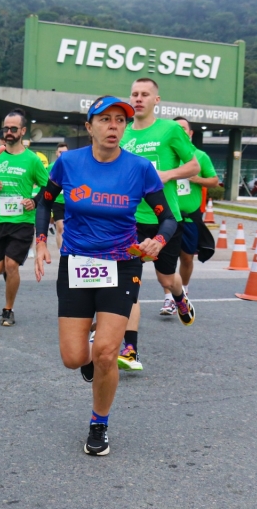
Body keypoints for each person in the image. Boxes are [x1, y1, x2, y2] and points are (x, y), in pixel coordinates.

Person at [34, 95, 177, 456]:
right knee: (72, 357)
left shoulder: (140, 168)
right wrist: (40, 242)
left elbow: (168, 217)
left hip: (122, 263)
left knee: (107, 353)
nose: (113, 126)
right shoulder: (68, 163)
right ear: (89, 126)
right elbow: (44, 200)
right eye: (105, 119)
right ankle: (90, 363)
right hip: (77, 262)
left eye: (120, 120)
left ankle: (99, 423)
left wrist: (158, 241)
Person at [119, 78, 200, 371]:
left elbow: (194, 167)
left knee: (167, 279)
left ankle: (179, 296)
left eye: (144, 95)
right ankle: (130, 350)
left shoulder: (169, 130)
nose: (138, 99)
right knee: (130, 285)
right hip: (132, 220)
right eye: (134, 94)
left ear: (157, 100)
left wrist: (166, 175)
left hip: (166, 219)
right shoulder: (124, 135)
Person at [0, 109, 49, 326]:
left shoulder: (32, 160)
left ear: (23, 131)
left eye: (14, 128)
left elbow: (48, 186)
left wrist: (35, 200)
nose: (9, 132)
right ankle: (8, 275)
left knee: (11, 265)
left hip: (22, 221)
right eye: (6, 128)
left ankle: (8, 309)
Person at [161, 117, 218, 310]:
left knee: (186, 257)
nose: (180, 132)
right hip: (167, 214)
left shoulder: (199, 156)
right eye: (176, 129)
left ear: (190, 133)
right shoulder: (165, 154)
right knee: (165, 258)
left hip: (190, 214)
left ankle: (182, 291)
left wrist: (196, 179)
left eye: (183, 129)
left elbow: (214, 181)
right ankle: (168, 297)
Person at [48, 143, 69, 249]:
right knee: (60, 228)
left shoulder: (71, 165)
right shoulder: (51, 166)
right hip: (57, 202)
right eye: (60, 152)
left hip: (70, 202)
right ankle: (62, 252)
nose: (62, 154)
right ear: (56, 153)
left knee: (69, 229)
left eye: (65, 152)